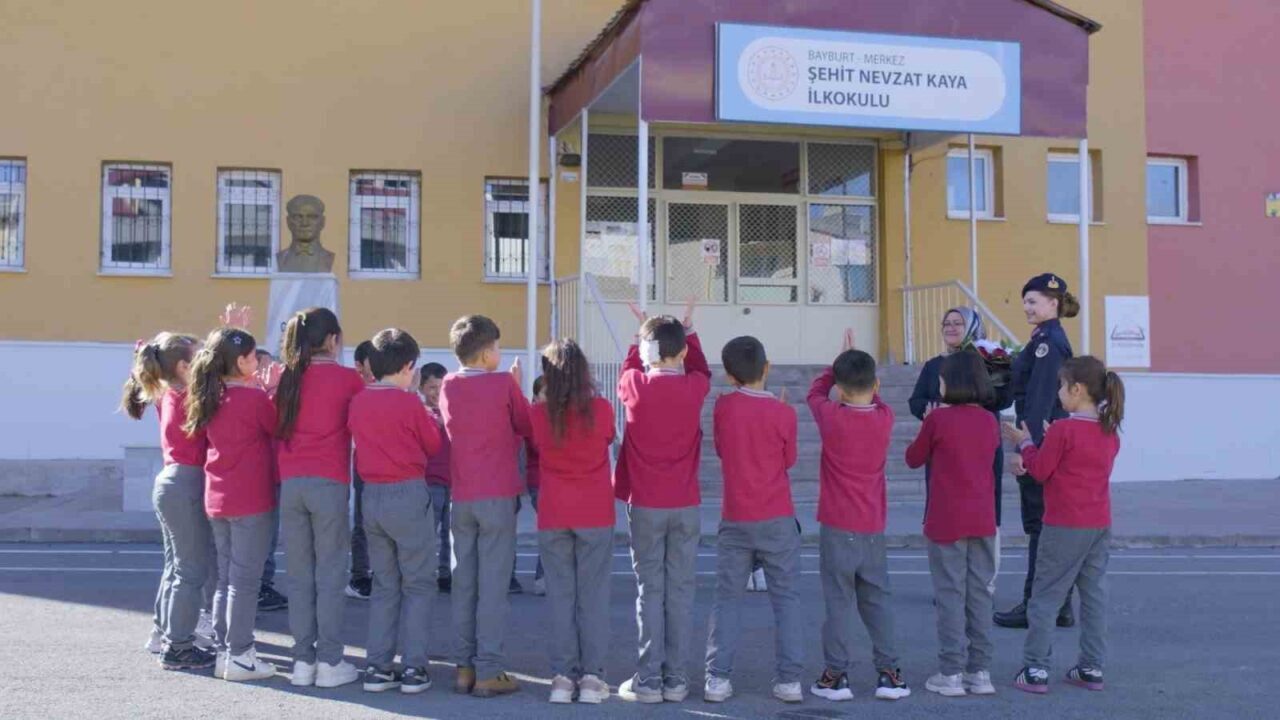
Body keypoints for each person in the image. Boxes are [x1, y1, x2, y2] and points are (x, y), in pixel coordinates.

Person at [1006, 356, 1124, 694]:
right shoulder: (1109, 431)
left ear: (1077, 389)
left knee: (1045, 597)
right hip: (1098, 522)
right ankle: (1091, 666)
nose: (1058, 392)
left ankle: (1036, 669)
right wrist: (1046, 444)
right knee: (1093, 595)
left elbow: (1041, 471)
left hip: (1063, 523)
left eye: (1061, 386)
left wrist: (1026, 443)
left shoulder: (1062, 430)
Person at [614, 302, 710, 704]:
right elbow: (702, 369)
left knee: (649, 591)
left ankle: (649, 678)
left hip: (645, 503)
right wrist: (690, 333)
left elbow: (628, 368)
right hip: (685, 502)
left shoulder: (634, 385)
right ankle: (676, 678)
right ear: (682, 352)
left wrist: (639, 338)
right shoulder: (694, 387)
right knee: (681, 590)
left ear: (646, 351)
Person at [808, 330, 911, 703]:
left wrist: (834, 366)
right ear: (876, 384)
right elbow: (874, 398)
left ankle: (836, 676)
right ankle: (889, 674)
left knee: (838, 603)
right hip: (872, 526)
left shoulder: (831, 415)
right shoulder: (885, 417)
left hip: (837, 525)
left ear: (839, 388)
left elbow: (814, 393)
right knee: (877, 601)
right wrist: (855, 370)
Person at [702, 336, 803, 704]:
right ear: (767, 367)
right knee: (786, 599)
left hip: (736, 516)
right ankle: (790, 681)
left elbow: (720, 449)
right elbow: (789, 461)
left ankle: (718, 678)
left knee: (727, 599)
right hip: (777, 515)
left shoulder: (724, 407)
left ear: (730, 376)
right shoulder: (784, 413)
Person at [440, 315, 531, 698]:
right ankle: (490, 670)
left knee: (464, 583)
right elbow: (526, 424)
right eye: (497, 347)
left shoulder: (448, 384)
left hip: (462, 495)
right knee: (492, 586)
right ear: (486, 353)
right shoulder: (503, 383)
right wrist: (516, 386)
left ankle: (464, 667)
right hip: (497, 494)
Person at [348, 329, 443, 694]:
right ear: (408, 366)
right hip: (407, 491)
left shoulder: (359, 401)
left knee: (385, 584)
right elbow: (432, 444)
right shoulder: (409, 403)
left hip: (372, 494)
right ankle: (414, 667)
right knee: (418, 583)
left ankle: (378, 666)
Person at [275, 308, 364, 688]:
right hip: (329, 482)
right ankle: (329, 660)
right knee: (330, 573)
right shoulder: (348, 379)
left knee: (298, 575)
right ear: (332, 339)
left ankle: (302, 660)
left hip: (291, 482)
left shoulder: (286, 377)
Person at [183, 327, 277, 682]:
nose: (258, 362)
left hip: (218, 498)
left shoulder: (208, 395)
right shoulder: (254, 399)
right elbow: (278, 427)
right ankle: (240, 654)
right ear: (240, 362)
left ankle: (227, 652)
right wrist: (271, 389)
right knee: (245, 582)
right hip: (250, 498)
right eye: (253, 357)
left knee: (225, 580)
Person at [905, 351, 1000, 698]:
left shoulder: (939, 420)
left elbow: (913, 458)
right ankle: (981, 671)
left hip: (946, 518)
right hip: (984, 517)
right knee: (980, 594)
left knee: (950, 595)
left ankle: (951, 672)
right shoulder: (989, 421)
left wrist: (928, 421)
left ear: (951, 383)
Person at [528, 339, 616, 705]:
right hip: (595, 511)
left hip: (554, 512)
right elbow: (608, 438)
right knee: (592, 597)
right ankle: (592, 678)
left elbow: (534, 444)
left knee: (561, 597)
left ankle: (563, 679)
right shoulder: (602, 409)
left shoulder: (538, 414)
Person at [124, 332, 216, 671]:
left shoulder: (167, 392)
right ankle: (178, 647)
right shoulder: (189, 395)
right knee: (191, 571)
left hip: (170, 481)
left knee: (175, 566)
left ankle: (162, 633)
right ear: (183, 367)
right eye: (201, 356)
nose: (208, 362)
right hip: (186, 482)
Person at [994, 273, 1080, 630]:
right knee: (1045, 528)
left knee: (1041, 529)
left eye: (1033, 301)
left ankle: (1037, 605)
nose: (1027, 308)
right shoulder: (1045, 338)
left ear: (1053, 303)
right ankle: (1058, 605)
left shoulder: (1048, 343)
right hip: (1044, 440)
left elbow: (1041, 400)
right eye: (1025, 302)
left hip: (1040, 442)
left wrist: (1024, 448)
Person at [907, 307, 1012, 595]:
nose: (951, 328)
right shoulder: (934, 365)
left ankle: (984, 583)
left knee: (986, 509)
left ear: (973, 327)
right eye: (947, 323)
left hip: (979, 446)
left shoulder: (991, 359)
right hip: (945, 447)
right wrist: (933, 410)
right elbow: (916, 401)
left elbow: (1004, 398)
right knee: (946, 507)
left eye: (958, 323)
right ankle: (950, 585)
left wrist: (967, 405)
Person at [254, 347, 289, 613]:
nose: (270, 370)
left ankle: (263, 583)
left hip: (275, 474)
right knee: (261, 536)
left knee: (270, 534)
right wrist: (270, 391)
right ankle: (258, 586)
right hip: (258, 476)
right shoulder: (255, 397)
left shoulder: (273, 395)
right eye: (264, 366)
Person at [346, 339, 375, 601]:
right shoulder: (354, 388)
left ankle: (383, 573)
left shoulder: (392, 386)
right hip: (363, 464)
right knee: (363, 522)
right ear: (359, 366)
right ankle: (359, 576)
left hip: (389, 466)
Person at [419, 362, 453, 593]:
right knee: (428, 532)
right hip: (430, 482)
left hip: (452, 481)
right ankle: (424, 573)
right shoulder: (420, 413)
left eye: (441, 387)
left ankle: (445, 573)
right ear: (421, 388)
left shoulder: (451, 411)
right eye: (432, 387)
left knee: (449, 533)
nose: (436, 392)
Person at [521, 375, 547, 596]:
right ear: (536, 396)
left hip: (554, 479)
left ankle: (546, 576)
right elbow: (539, 446)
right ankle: (542, 577)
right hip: (539, 480)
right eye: (546, 393)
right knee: (551, 530)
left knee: (555, 530)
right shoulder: (533, 415)